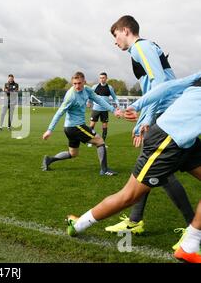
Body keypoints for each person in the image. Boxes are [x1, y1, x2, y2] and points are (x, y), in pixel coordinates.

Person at [65, 73, 201, 263]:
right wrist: (137, 107)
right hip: (167, 140)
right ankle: (78, 224)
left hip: (188, 140)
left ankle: (191, 245)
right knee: (129, 196)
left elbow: (169, 87)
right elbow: (167, 87)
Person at [105, 15, 194, 235]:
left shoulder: (140, 47)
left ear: (125, 30)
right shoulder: (146, 47)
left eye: (116, 36)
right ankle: (136, 220)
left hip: (167, 112)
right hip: (169, 111)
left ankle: (194, 227)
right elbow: (156, 83)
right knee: (148, 168)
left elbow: (160, 84)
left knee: (161, 172)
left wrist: (146, 119)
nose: (115, 42)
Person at [42, 71, 121, 176]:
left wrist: (113, 110)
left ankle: (49, 160)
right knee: (100, 141)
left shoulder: (87, 90)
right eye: (74, 83)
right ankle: (104, 169)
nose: (77, 86)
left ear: (84, 82)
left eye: (79, 83)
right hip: (75, 127)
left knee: (73, 153)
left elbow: (99, 100)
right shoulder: (71, 96)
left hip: (71, 128)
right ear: (72, 83)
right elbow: (59, 113)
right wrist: (49, 130)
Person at [87, 72, 120, 146]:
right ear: (99, 79)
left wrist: (118, 105)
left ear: (106, 78)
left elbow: (114, 97)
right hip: (95, 109)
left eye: (103, 78)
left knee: (104, 127)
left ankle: (102, 142)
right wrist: (89, 102)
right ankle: (91, 141)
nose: (102, 79)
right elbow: (90, 95)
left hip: (105, 110)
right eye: (101, 78)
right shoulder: (95, 87)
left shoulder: (110, 87)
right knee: (91, 126)